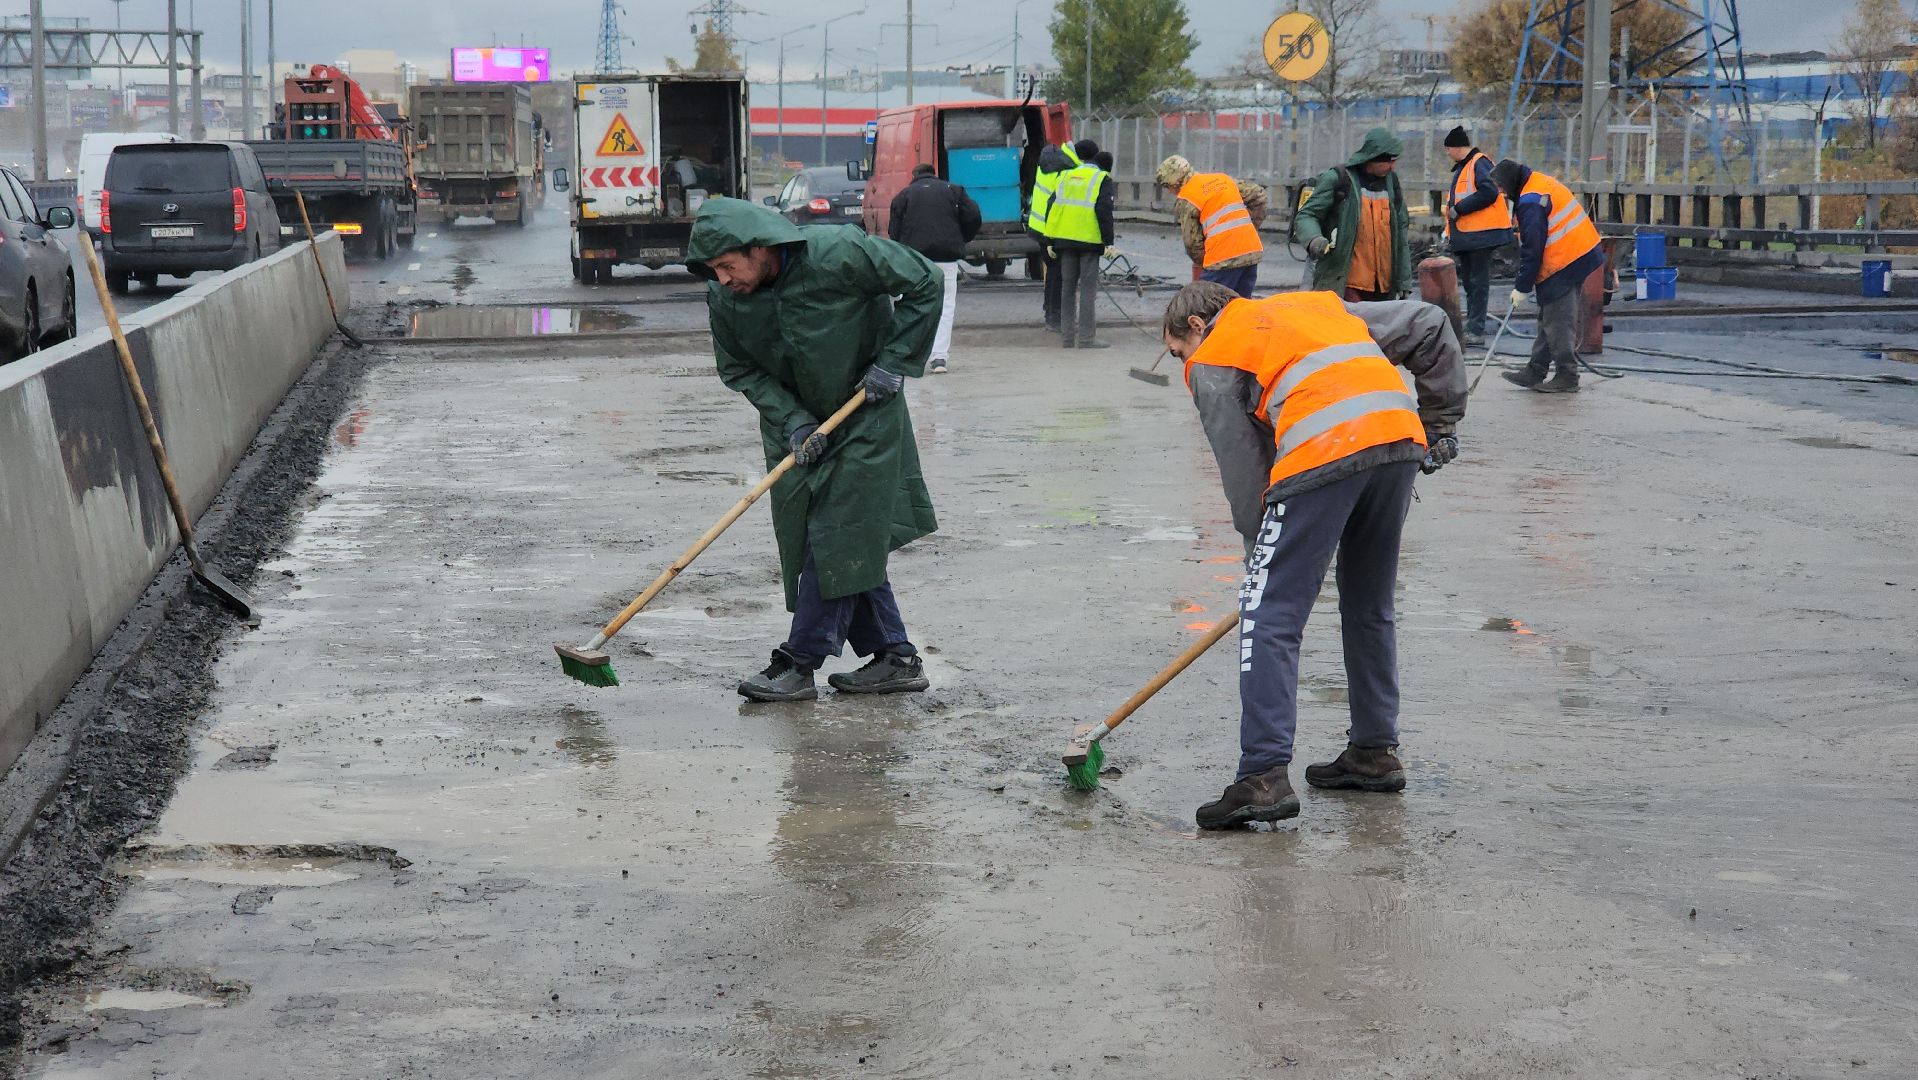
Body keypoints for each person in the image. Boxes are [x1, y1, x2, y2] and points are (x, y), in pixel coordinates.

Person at [1159, 282, 1466, 829]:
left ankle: (1262, 777)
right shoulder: (1315, 307)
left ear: (1197, 327)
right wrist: (1439, 424)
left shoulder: (1213, 355)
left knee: (1269, 614)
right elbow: (1428, 322)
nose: (1186, 364)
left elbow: (1242, 467)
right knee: (1369, 602)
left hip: (1326, 444)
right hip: (1396, 438)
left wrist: (1263, 565)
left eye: (1178, 350)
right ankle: (1372, 753)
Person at [684, 198, 943, 702]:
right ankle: (896, 656)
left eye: (727, 265)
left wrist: (895, 360)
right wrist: (794, 420)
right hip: (799, 426)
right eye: (713, 271)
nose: (722, 279)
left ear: (760, 248)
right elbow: (740, 370)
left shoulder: (839, 254)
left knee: (834, 534)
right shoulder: (726, 299)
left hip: (865, 412)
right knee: (828, 531)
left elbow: (926, 280)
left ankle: (799, 663)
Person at [1493, 158, 1603, 393]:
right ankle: (1536, 369)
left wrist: (1522, 287)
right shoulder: (1535, 184)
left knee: (1559, 321)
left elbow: (1532, 249)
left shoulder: (1530, 202)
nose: (1500, 192)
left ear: (1510, 182)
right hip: (1578, 252)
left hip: (1566, 258)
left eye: (1501, 186)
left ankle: (1567, 375)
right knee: (1549, 316)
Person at [1294, 127, 1411, 302]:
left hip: (1383, 287)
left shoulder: (1391, 183)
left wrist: (1403, 280)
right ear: (1373, 158)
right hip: (1347, 284)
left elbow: (1400, 233)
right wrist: (1314, 239)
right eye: (1389, 161)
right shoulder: (1338, 179)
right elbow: (1306, 215)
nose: (1392, 166)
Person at [889, 162, 982, 375]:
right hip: (946, 258)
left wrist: (902, 253)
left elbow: (894, 231)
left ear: (914, 176)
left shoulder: (904, 195)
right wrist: (962, 237)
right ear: (934, 175)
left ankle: (913, 356)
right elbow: (974, 215)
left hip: (914, 261)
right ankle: (939, 358)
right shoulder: (953, 191)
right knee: (946, 306)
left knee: (913, 306)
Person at [1155, 154, 1266, 298]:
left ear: (1175, 181)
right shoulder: (1222, 179)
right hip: (1251, 252)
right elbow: (1259, 196)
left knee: (1203, 306)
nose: (1169, 191)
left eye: (1167, 186)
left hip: (1223, 260)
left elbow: (1192, 244)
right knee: (1240, 309)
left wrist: (1205, 262)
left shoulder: (1187, 198)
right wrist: (1250, 227)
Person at [1441, 126, 1513, 347]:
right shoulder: (1467, 166)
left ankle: (1475, 329)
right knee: (1472, 283)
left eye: (1448, 149)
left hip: (1481, 235)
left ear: (1456, 147)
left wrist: (1459, 208)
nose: (1447, 153)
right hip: (1470, 236)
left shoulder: (1478, 163)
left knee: (1477, 282)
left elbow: (1489, 192)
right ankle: (1473, 327)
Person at [1044, 138, 1114, 349]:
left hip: (1064, 241)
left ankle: (1067, 338)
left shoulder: (1064, 176)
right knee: (1087, 291)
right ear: (1096, 155)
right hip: (1090, 241)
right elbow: (1104, 210)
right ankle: (1086, 338)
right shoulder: (1100, 178)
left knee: (1067, 290)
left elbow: (1052, 207)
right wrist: (1108, 241)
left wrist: (1050, 239)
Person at [1026, 141, 1081, 334]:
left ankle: (1050, 313)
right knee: (1059, 274)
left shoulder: (1049, 161)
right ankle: (1055, 317)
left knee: (1052, 271)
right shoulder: (1066, 169)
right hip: (1052, 228)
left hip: (1038, 226)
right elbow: (1060, 203)